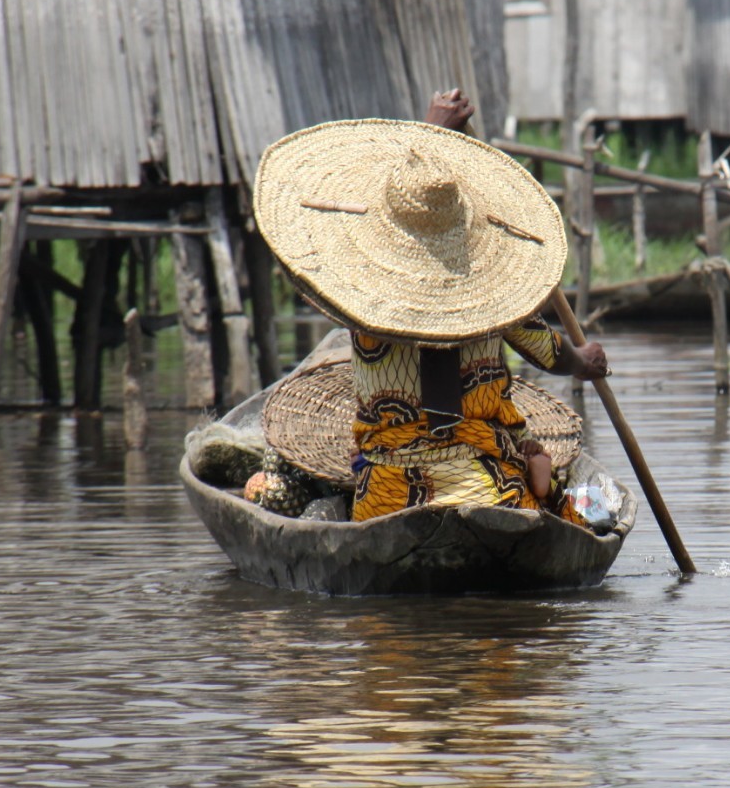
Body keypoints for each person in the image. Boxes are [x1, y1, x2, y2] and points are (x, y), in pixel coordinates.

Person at [252, 91, 608, 523]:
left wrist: (431, 136)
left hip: (386, 495)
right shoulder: (490, 292)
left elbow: (417, 195)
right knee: (572, 507)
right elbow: (548, 351)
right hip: (493, 490)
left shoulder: (362, 289)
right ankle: (536, 487)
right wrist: (582, 362)